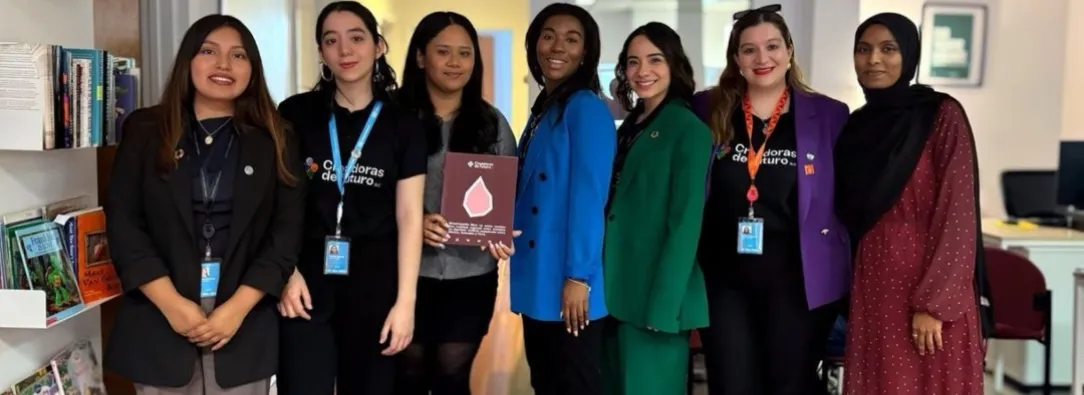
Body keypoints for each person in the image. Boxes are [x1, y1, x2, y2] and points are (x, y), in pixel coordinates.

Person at [103, 14, 304, 395]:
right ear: (187, 61)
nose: (223, 65)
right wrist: (173, 305)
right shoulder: (146, 130)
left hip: (243, 319)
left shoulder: (276, 137)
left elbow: (286, 232)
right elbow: (125, 223)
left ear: (252, 69)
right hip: (160, 313)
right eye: (209, 51)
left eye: (238, 55)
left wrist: (236, 310)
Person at [691, 4, 851, 395]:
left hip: (797, 284)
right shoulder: (706, 109)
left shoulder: (829, 115)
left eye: (773, 46)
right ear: (736, 58)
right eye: (749, 49)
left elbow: (850, 198)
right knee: (731, 386)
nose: (762, 58)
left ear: (790, 51)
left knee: (788, 386)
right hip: (723, 282)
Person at [275, 2, 427, 395]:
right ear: (322, 52)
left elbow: (410, 215)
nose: (345, 50)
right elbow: (277, 200)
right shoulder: (295, 113)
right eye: (331, 40)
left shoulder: (403, 122)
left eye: (356, 38)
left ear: (378, 46)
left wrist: (406, 303)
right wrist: (285, 273)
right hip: (304, 283)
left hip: (376, 284)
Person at [834, 13, 986, 395]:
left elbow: (958, 214)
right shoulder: (855, 126)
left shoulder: (940, 115)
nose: (874, 60)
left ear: (910, 55)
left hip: (930, 286)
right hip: (872, 283)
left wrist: (934, 303)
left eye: (889, 49)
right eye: (863, 49)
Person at [393, 11, 518, 395]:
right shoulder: (393, 119)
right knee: (407, 375)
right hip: (403, 273)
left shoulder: (491, 124)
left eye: (465, 53)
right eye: (443, 51)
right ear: (419, 57)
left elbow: (507, 196)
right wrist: (414, 221)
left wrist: (500, 232)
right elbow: (368, 190)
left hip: (470, 275)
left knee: (452, 375)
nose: (455, 62)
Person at [600, 22, 712, 395]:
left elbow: (685, 226)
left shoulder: (688, 129)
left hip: (655, 301)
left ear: (674, 64)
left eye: (654, 59)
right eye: (633, 62)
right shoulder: (630, 126)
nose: (642, 71)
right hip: (616, 292)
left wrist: (663, 308)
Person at [513, 3, 615, 394]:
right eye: (548, 35)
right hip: (540, 273)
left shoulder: (586, 107)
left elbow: (590, 199)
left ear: (586, 52)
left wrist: (579, 277)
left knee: (574, 384)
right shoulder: (548, 105)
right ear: (535, 42)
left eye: (572, 39)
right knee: (548, 382)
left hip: (567, 280)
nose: (557, 47)